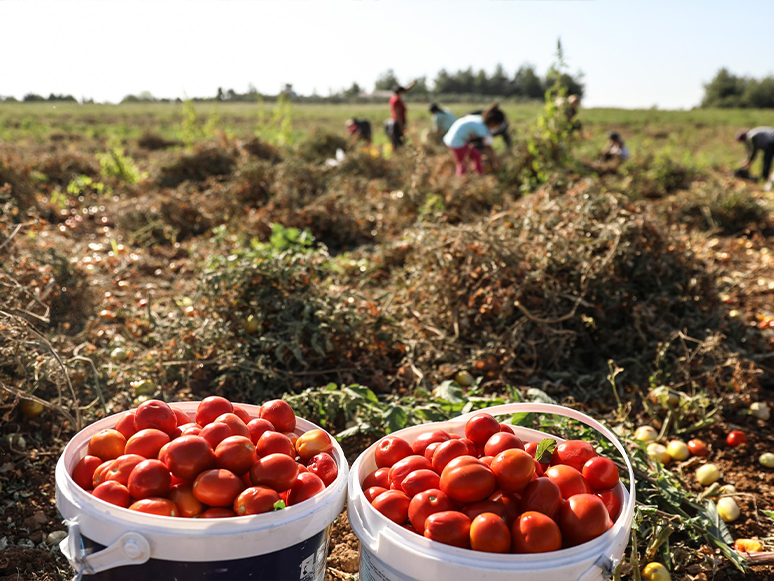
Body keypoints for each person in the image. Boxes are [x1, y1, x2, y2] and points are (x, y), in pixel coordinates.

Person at [443, 104, 504, 176]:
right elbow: (488, 147)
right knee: (463, 164)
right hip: (457, 142)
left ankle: (479, 174)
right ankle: (460, 181)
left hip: (455, 138)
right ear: (493, 122)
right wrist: (495, 161)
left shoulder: (479, 119)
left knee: (476, 155)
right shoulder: (481, 127)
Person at [385, 80, 417, 150]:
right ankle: (398, 156)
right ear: (400, 92)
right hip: (398, 123)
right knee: (399, 142)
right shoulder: (397, 101)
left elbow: (405, 89)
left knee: (399, 141)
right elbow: (398, 114)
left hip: (398, 122)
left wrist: (413, 84)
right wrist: (401, 126)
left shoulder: (393, 98)